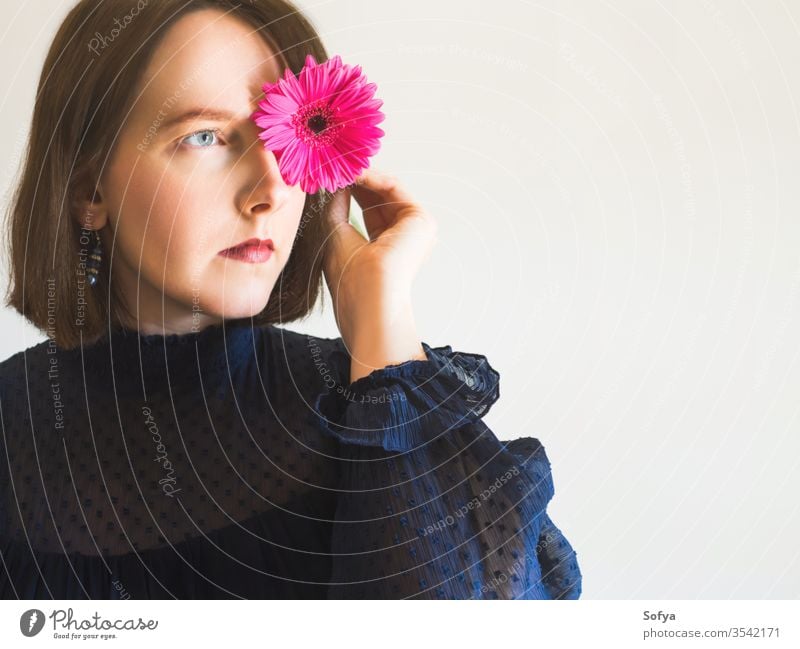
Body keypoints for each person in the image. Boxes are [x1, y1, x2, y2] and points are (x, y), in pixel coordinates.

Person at [0, 0, 582, 599]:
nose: (269, 190)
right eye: (206, 137)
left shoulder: (375, 411)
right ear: (87, 189)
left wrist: (383, 330)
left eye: (287, 138)